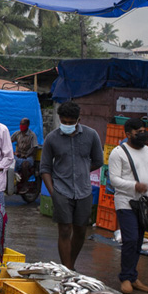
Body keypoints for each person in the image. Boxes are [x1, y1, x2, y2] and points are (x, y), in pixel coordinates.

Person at [40, 101, 103, 270]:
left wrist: (81, 170)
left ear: (78, 120)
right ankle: (66, 269)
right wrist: (53, 192)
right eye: (64, 122)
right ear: (60, 119)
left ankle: (71, 265)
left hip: (84, 191)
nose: (67, 125)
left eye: (71, 122)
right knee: (65, 230)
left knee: (81, 230)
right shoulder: (52, 138)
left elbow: (98, 161)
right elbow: (45, 168)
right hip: (61, 190)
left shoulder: (91, 135)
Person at [107, 118, 148, 294]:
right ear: (128, 134)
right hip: (125, 201)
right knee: (130, 238)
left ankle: (132, 276)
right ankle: (125, 277)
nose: (142, 133)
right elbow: (114, 179)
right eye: (138, 131)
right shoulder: (118, 152)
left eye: (144, 130)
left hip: (144, 204)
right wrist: (134, 186)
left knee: (139, 240)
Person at [11, 117, 38, 183]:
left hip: (28, 157)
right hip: (18, 156)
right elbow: (8, 142)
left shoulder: (32, 135)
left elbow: (34, 148)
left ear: (28, 125)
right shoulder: (17, 134)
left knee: (24, 164)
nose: (21, 126)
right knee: (9, 161)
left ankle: (25, 184)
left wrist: (26, 155)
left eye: (23, 124)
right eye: (20, 124)